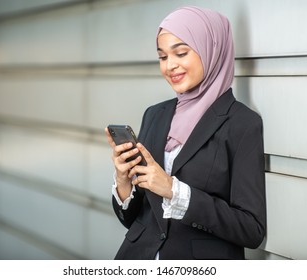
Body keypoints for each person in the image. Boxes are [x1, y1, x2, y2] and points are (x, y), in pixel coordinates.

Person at [104, 6, 266, 260]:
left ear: (211, 50)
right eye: (162, 57)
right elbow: (135, 219)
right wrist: (123, 182)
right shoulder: (155, 115)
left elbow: (252, 230)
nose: (170, 66)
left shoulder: (242, 123)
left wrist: (173, 190)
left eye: (180, 53)